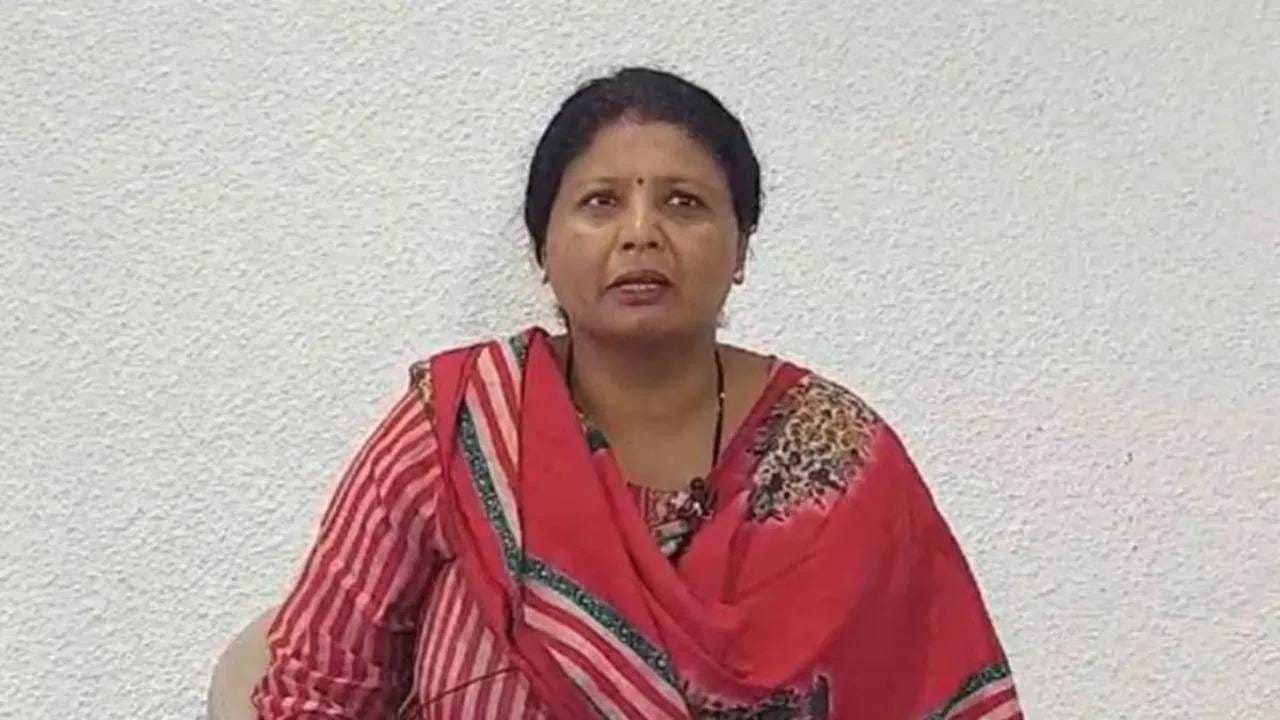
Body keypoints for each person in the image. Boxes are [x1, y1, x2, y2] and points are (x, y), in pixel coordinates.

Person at [241, 66, 1021, 719]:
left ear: (740, 248)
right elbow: (314, 689)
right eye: (600, 202)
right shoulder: (459, 425)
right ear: (542, 248)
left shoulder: (843, 455)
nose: (641, 232)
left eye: (684, 203)